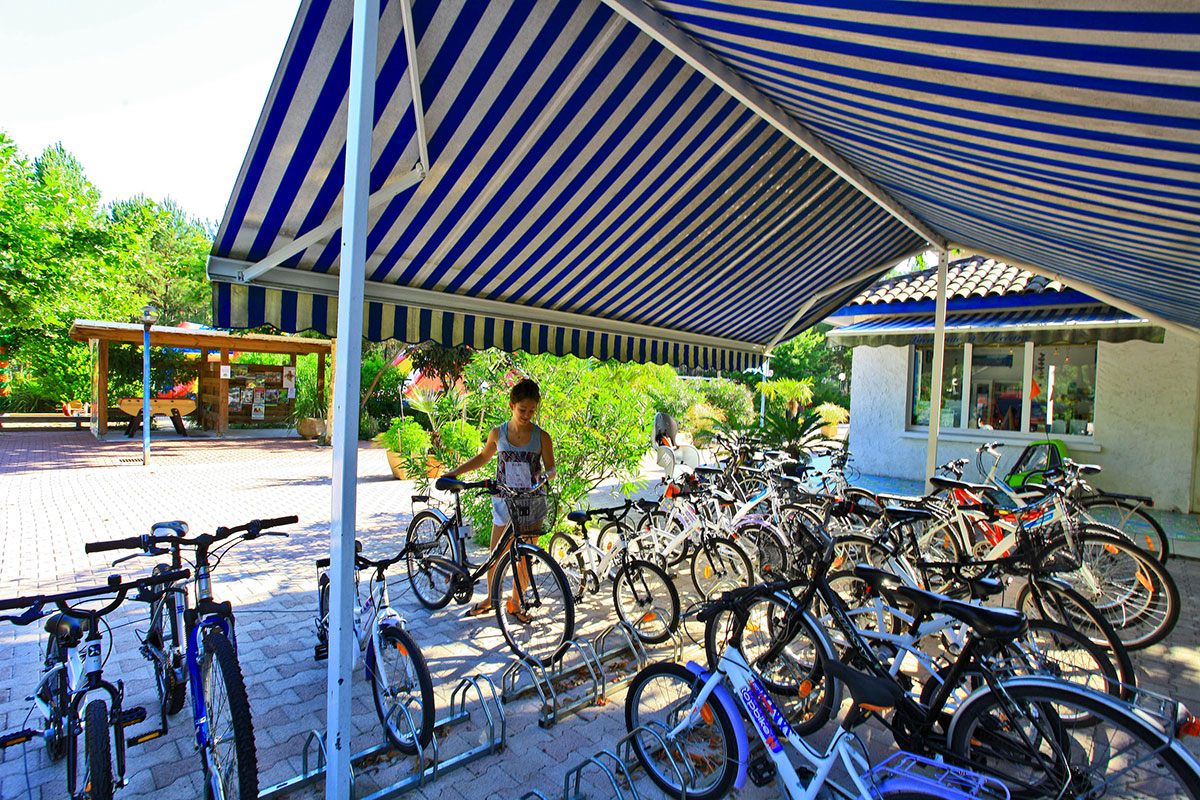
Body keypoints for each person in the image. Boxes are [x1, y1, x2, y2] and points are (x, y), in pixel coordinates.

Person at [441, 378, 555, 620]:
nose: (527, 415)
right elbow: (483, 457)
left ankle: (516, 602)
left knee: (525, 557)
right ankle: (491, 599)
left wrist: (545, 476)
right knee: (496, 554)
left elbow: (552, 468)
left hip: (532, 503)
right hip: (504, 502)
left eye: (532, 410)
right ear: (512, 406)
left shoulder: (542, 437)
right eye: (522, 410)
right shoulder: (498, 433)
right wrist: (455, 472)